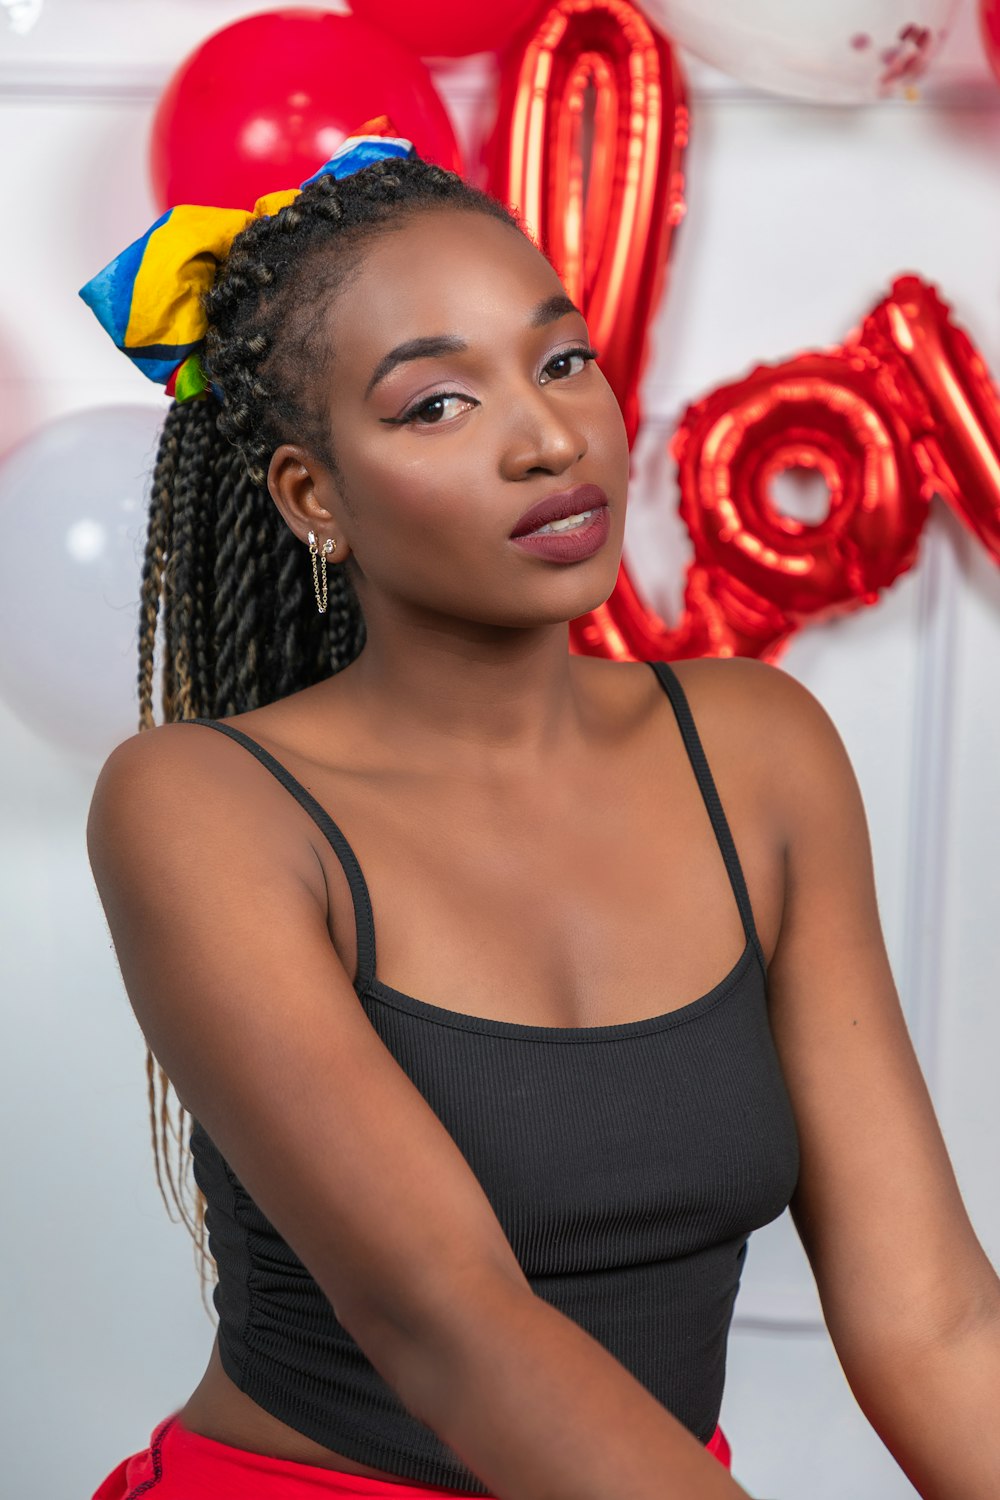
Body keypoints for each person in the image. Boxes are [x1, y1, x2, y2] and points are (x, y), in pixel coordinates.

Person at [80, 123, 1000, 1500]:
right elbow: (457, 1327)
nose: (548, 436)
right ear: (311, 495)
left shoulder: (761, 753)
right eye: (436, 404)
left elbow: (932, 1320)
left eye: (562, 359)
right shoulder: (201, 807)